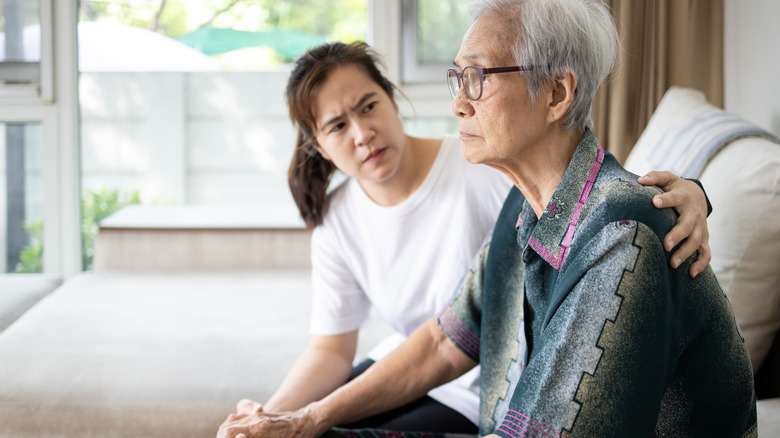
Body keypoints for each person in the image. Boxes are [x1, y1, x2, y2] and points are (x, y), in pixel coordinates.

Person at [218, 14, 728, 436]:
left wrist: (694, 194)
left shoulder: (619, 239)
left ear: (556, 94)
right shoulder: (523, 210)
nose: (458, 102)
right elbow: (445, 340)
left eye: (478, 78)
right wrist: (301, 418)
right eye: (456, 78)